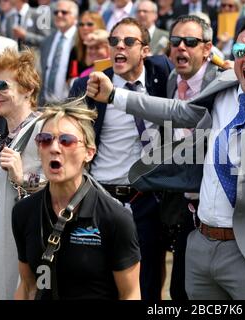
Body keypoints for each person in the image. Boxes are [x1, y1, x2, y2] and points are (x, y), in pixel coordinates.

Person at [87, 14, 245, 300]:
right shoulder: (225, 85)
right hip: (202, 246)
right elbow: (179, 112)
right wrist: (115, 97)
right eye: (240, 51)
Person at [69, 17, 173, 300]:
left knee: (147, 283)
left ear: (146, 50)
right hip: (100, 198)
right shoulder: (87, 86)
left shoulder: (161, 74)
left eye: (129, 42)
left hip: (145, 201)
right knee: (97, 283)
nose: (119, 47)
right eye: (114, 41)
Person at [12, 99, 141, 300]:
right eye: (46, 139)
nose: (54, 148)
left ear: (89, 153)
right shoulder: (23, 211)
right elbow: (28, 287)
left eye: (66, 141)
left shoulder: (116, 218)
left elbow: (130, 294)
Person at [159, 14, 227, 301]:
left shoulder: (223, 81)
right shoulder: (173, 78)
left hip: (218, 202)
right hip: (181, 199)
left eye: (190, 42)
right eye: (176, 42)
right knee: (180, 290)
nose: (181, 48)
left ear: (207, 47)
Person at [0, 48, 45, 300]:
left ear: (28, 88)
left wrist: (23, 178)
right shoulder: (3, 141)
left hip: (26, 262)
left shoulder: (45, 132)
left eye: (2, 85)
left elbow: (66, 187)